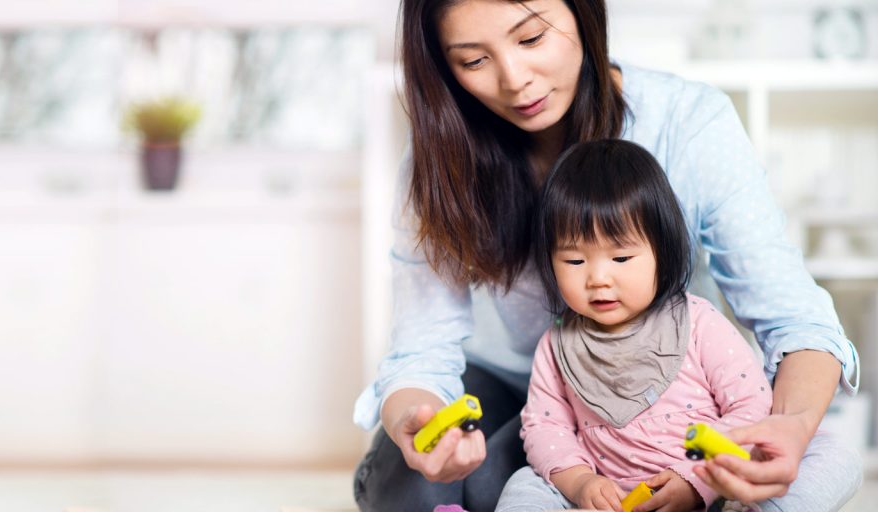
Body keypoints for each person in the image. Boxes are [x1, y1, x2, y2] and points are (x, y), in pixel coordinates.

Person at [352, 1, 861, 511]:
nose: (515, 80)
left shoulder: (687, 122)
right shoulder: (440, 159)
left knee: (820, 465)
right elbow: (421, 352)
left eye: (531, 39)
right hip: (517, 387)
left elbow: (795, 319)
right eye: (473, 61)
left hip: (677, 404)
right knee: (426, 487)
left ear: (583, 13)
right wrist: (415, 421)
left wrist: (788, 429)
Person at [496, 138, 773, 512]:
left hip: (711, 487)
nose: (597, 278)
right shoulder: (558, 343)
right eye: (575, 261)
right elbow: (546, 428)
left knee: (825, 455)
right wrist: (579, 482)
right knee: (522, 485)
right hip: (608, 497)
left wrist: (696, 481)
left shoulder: (698, 323)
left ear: (663, 249)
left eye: (622, 257)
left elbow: (752, 407)